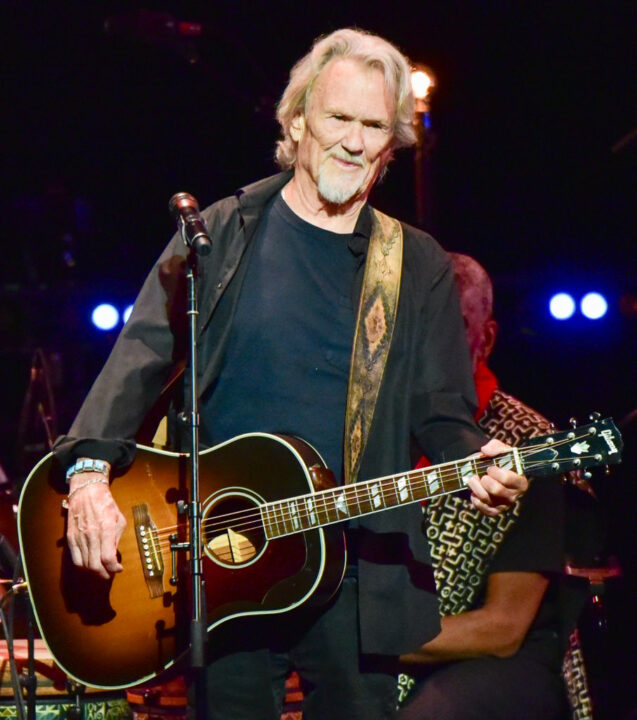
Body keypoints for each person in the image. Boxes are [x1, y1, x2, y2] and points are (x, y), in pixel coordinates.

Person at [53, 29, 528, 720]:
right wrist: (89, 473)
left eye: (373, 126)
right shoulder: (223, 232)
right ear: (298, 119)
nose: (355, 141)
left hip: (355, 565)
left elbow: (441, 409)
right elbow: (139, 356)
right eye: (340, 118)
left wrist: (474, 463)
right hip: (224, 560)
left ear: (390, 144)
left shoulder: (414, 262)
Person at [397, 253, 570, 720]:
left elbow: (503, 629)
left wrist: (365, 641)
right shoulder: (374, 432)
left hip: (501, 663)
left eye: (449, 324)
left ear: (486, 338)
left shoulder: (531, 442)